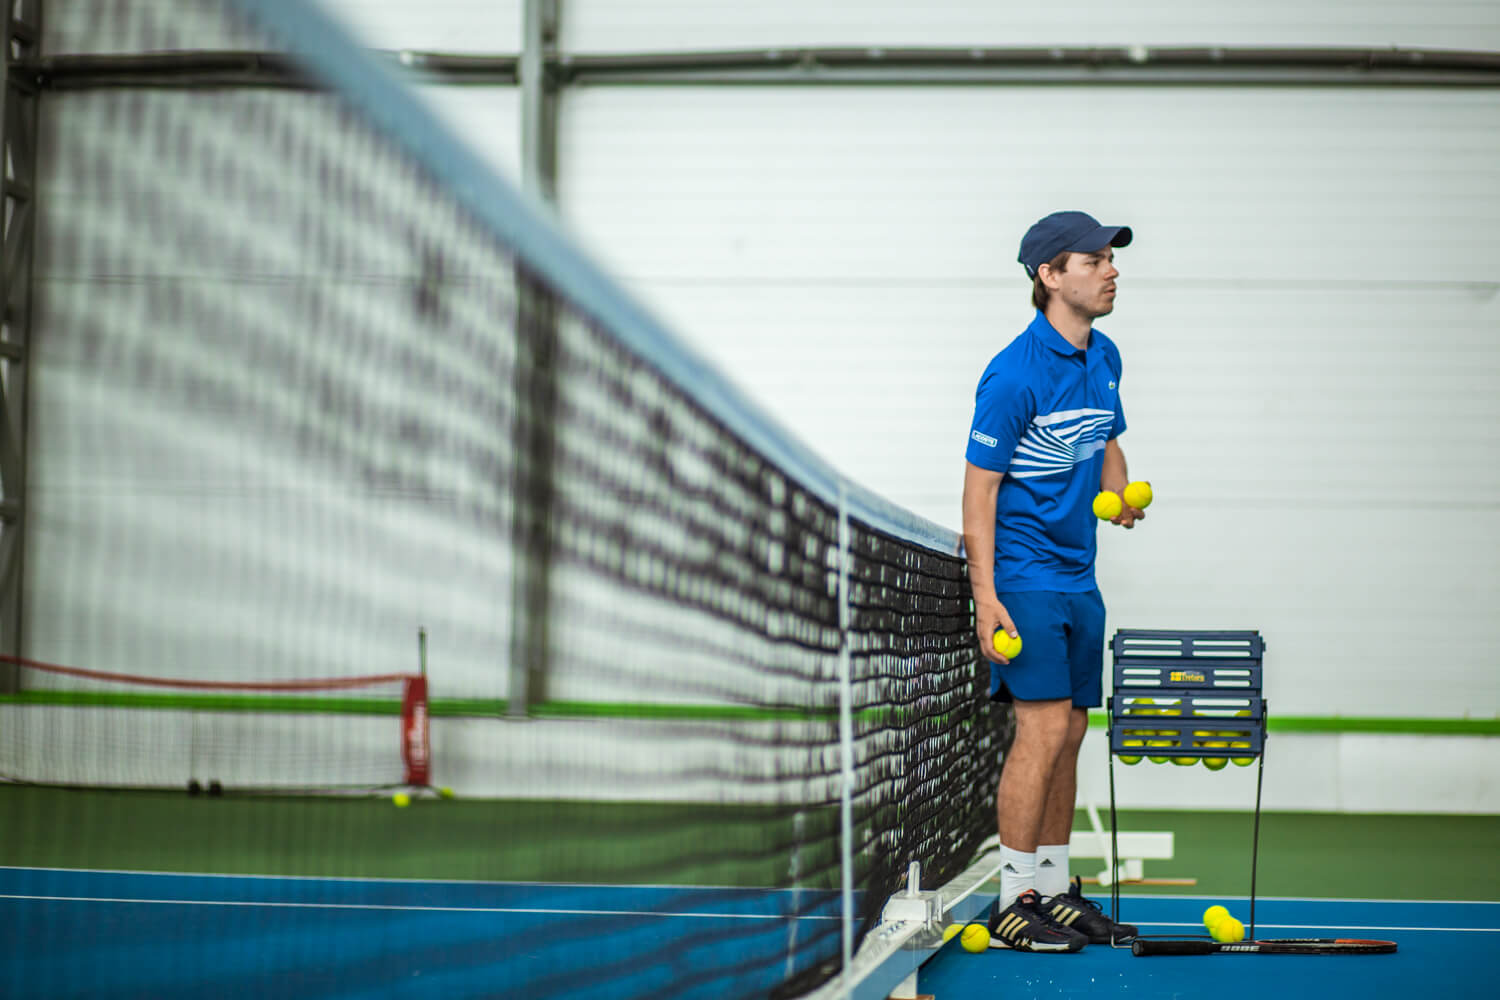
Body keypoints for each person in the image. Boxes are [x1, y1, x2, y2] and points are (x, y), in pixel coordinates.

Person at [962, 210, 1145, 952]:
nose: (1111, 270)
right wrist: (986, 596)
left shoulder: (1104, 358)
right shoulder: (1012, 374)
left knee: (1070, 729)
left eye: (1111, 258)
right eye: (1093, 259)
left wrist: (1122, 493)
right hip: (1025, 574)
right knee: (1040, 728)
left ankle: (1055, 886)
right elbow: (978, 492)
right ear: (1049, 276)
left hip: (1079, 575)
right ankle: (1013, 900)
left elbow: (1108, 446)